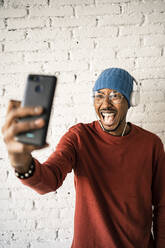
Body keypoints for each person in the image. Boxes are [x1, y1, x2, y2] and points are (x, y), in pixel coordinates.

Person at [2, 68, 165, 248]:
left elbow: (162, 205)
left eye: (115, 95)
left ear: (131, 100)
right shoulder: (79, 137)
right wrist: (22, 163)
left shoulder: (152, 144)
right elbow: (50, 179)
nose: (105, 104)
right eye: (99, 95)